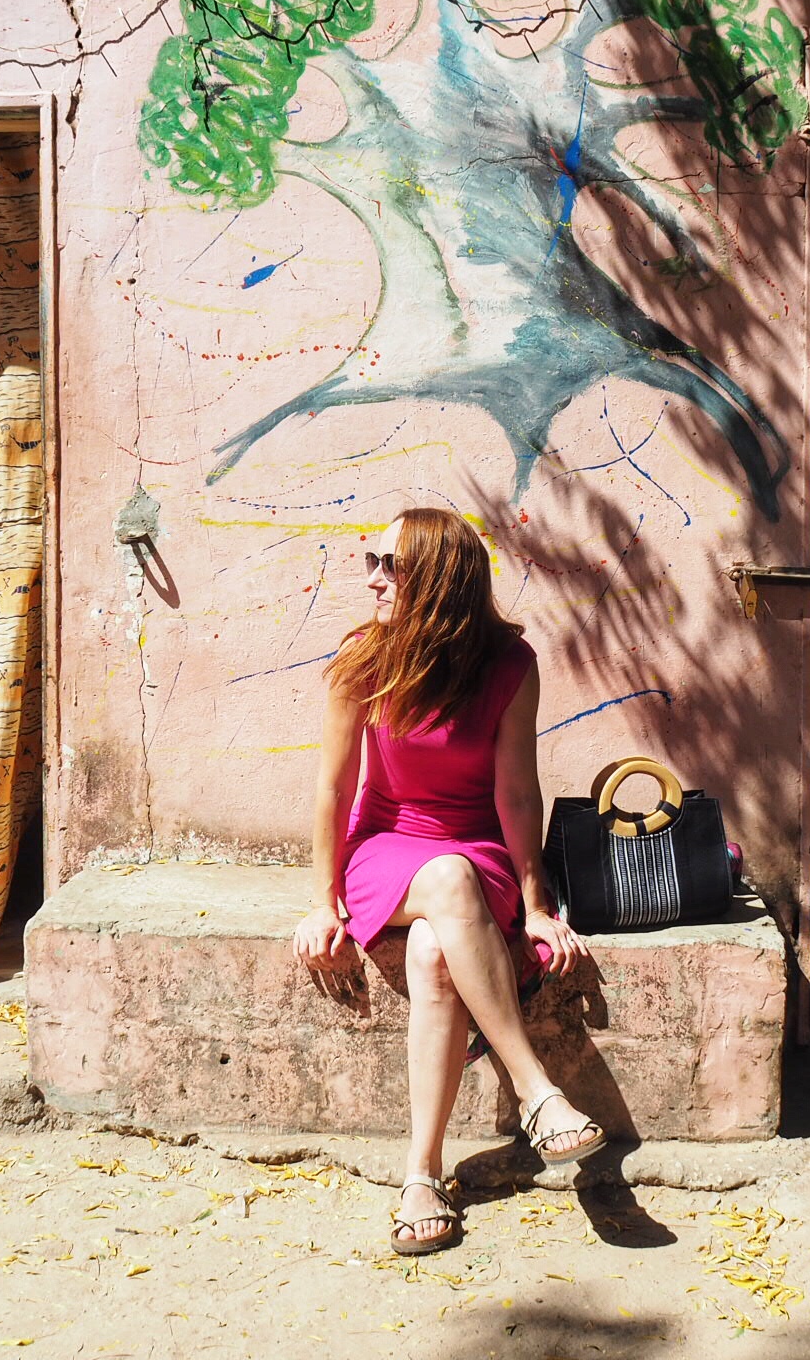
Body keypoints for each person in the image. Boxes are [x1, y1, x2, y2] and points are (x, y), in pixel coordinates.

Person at [292, 507, 608, 1256]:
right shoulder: (362, 657)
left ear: (438, 579)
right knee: (442, 877)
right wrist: (322, 901)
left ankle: (420, 1176)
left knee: (436, 949)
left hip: (478, 851)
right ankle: (537, 1091)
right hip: (385, 850)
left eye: (391, 565)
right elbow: (333, 788)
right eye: (371, 561)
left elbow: (517, 793)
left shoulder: (508, 664)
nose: (374, 578)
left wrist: (536, 906)